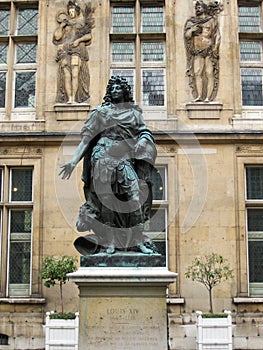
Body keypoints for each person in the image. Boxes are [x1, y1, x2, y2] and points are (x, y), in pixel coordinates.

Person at [59, 76, 158, 255]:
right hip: (102, 157)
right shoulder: (100, 113)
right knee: (107, 201)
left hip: (123, 158)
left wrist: (143, 140)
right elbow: (86, 140)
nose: (114, 90)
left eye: (118, 87)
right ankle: (110, 241)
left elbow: (144, 131)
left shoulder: (134, 114)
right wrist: (73, 161)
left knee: (135, 196)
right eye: (111, 88)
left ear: (125, 91)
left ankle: (137, 240)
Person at [53, 0, 94, 104]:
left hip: (77, 49)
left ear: (76, 11)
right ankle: (69, 98)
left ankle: (75, 98)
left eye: (72, 10)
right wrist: (61, 26)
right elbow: (57, 37)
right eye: (69, 10)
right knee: (66, 74)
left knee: (75, 73)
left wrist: (78, 40)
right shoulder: (65, 24)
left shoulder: (81, 23)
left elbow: (89, 36)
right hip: (65, 49)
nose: (71, 12)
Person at [184, 0, 222, 102]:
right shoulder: (191, 22)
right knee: (197, 72)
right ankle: (199, 96)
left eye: (199, 7)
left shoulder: (211, 21)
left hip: (209, 50)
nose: (197, 9)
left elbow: (217, 35)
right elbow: (187, 36)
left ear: (204, 8)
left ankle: (208, 98)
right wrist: (192, 30)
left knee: (209, 73)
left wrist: (215, 47)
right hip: (197, 51)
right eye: (196, 7)